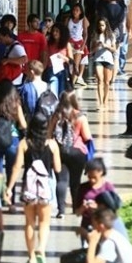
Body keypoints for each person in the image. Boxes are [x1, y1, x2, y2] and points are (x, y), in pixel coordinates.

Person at [4, 112, 62, 263]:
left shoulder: (24, 143)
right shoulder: (52, 144)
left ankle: (31, 258)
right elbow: (57, 168)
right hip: (45, 186)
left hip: (29, 186)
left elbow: (17, 167)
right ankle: (41, 250)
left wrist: (9, 188)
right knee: (44, 222)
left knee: (29, 223)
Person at [51, 91, 91, 220]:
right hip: (77, 152)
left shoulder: (57, 115)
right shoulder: (80, 117)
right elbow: (87, 137)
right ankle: (75, 208)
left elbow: (48, 133)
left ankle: (61, 210)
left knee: (61, 181)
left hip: (60, 151)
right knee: (75, 182)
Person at [89, 18, 117, 108]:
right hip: (98, 59)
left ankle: (105, 100)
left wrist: (106, 46)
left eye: (103, 25)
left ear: (106, 25)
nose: (101, 27)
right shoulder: (95, 36)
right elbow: (91, 50)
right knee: (100, 80)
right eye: (99, 25)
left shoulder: (111, 35)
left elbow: (114, 49)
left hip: (108, 60)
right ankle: (100, 102)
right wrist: (97, 46)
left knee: (106, 82)